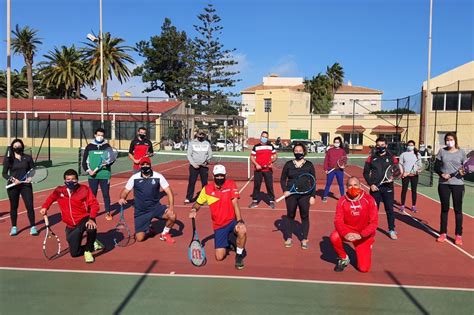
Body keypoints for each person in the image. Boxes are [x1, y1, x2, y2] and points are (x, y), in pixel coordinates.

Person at [189, 164, 247, 270]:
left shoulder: (231, 184)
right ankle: (230, 240)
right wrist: (194, 209)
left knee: (242, 229)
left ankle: (239, 255)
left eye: (222, 175)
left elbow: (235, 204)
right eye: (217, 175)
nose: (219, 177)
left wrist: (239, 221)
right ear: (213, 176)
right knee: (219, 257)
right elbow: (197, 203)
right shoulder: (206, 189)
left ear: (225, 175)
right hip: (219, 226)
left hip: (231, 221)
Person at [40, 169, 104, 263]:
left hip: (83, 218)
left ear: (77, 180)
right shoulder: (59, 190)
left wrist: (92, 218)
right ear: (64, 181)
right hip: (70, 225)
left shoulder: (84, 189)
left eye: (73, 179)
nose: (71, 181)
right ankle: (93, 244)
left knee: (91, 227)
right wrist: (45, 207)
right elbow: (51, 198)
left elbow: (94, 204)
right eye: (68, 179)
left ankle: (88, 250)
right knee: (74, 253)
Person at [118, 157, 176, 243]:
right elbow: (125, 191)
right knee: (140, 238)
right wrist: (122, 198)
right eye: (143, 164)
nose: (145, 166)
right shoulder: (134, 177)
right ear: (140, 166)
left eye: (147, 164)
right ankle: (149, 230)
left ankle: (164, 234)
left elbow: (169, 191)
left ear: (150, 165)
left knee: (172, 216)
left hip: (156, 208)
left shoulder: (158, 176)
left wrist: (171, 207)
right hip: (141, 211)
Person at [330, 176, 378, 272]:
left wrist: (361, 235)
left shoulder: (369, 200)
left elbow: (374, 223)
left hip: (363, 235)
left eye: (355, 185)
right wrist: (345, 233)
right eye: (350, 186)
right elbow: (338, 221)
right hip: (348, 231)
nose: (353, 188)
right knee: (334, 237)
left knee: (363, 269)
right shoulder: (342, 201)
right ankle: (344, 258)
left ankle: (368, 244)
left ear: (360, 186)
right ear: (347, 187)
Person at [280, 143, 316, 249]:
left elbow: (313, 180)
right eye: (296, 150)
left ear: (304, 151)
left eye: (300, 150)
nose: (298, 152)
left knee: (304, 216)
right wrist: (285, 190)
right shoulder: (288, 164)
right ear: (293, 152)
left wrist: (313, 196)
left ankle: (304, 239)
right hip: (291, 195)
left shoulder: (309, 165)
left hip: (305, 195)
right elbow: (283, 179)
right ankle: (289, 238)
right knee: (290, 216)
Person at [363, 137, 399, 240]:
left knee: (390, 210)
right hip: (375, 188)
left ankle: (391, 229)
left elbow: (397, 170)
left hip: (388, 187)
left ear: (386, 145)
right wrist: (371, 184)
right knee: (373, 210)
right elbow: (365, 172)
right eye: (378, 146)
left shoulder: (392, 157)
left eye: (382, 145)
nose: (380, 147)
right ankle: (371, 230)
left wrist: (393, 176)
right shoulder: (371, 158)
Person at [434, 132, 466, 245]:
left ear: (455, 140)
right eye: (447, 139)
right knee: (444, 208)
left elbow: (464, 168)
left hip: (458, 185)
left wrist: (463, 172)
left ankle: (458, 235)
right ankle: (443, 233)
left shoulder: (462, 152)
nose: (449, 141)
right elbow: (436, 167)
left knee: (458, 210)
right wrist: (442, 174)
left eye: (451, 139)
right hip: (443, 184)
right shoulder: (442, 151)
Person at [2, 139, 38, 236]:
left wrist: (30, 177)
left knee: (29, 206)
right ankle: (14, 227)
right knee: (14, 207)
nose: (17, 147)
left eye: (19, 146)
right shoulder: (9, 159)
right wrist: (13, 179)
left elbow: (33, 170)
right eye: (15, 146)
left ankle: (33, 227)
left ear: (22, 146)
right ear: (12, 148)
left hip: (25, 185)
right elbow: (4, 174)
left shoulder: (28, 158)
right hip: (13, 186)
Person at [82, 128, 113, 221]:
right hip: (93, 176)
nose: (100, 137)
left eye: (102, 135)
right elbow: (84, 161)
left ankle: (107, 212)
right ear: (95, 135)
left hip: (105, 175)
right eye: (99, 135)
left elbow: (111, 159)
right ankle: (90, 212)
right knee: (92, 195)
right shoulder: (89, 146)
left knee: (106, 194)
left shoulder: (107, 146)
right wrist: (88, 170)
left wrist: (107, 163)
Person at [249, 131, 277, 209]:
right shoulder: (256, 146)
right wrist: (256, 164)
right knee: (257, 186)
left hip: (268, 170)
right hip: (258, 170)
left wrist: (271, 162)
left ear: (267, 138)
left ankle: (271, 202)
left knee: (269, 186)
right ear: (261, 137)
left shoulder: (271, 146)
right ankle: (255, 201)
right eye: (263, 136)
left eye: (266, 137)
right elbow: (251, 157)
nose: (264, 138)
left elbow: (275, 156)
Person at [185, 130, 212, 204]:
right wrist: (193, 164)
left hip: (204, 167)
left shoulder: (207, 143)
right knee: (192, 182)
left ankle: (205, 198)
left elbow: (210, 154)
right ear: (197, 134)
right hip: (194, 166)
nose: (201, 136)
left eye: (202, 134)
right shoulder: (192, 143)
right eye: (200, 134)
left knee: (204, 183)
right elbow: (189, 155)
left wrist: (207, 161)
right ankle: (188, 198)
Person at [399, 140, 421, 213]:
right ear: (407, 146)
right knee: (404, 190)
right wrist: (402, 173)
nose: (410, 146)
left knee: (414, 191)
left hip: (414, 175)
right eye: (409, 145)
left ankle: (413, 206)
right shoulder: (403, 154)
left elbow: (419, 165)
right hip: (405, 175)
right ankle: (402, 205)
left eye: (412, 145)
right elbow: (400, 164)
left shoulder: (417, 154)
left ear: (414, 146)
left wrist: (418, 170)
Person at [322, 136, 347, 202]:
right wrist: (325, 169)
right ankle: (324, 196)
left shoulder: (342, 151)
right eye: (335, 142)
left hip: (339, 170)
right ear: (333, 143)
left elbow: (345, 159)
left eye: (338, 142)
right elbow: (326, 160)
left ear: (340, 143)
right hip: (330, 170)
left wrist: (343, 165)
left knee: (341, 184)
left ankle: (342, 198)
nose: (336, 143)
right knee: (328, 183)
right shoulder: (330, 150)